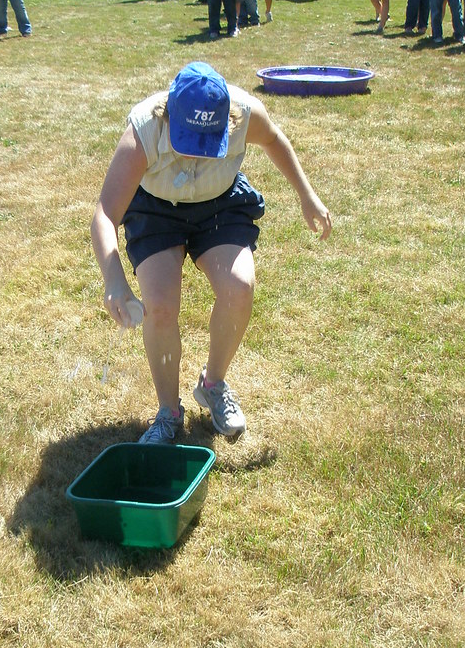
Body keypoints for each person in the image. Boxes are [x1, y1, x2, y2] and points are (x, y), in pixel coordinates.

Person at [90, 61, 332, 442]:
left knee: (239, 287)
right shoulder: (144, 129)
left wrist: (307, 194)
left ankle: (213, 384)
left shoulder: (244, 113)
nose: (199, 156)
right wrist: (114, 279)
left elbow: (273, 139)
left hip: (220, 205)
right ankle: (168, 413)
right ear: (169, 113)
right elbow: (105, 213)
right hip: (156, 211)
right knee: (161, 306)